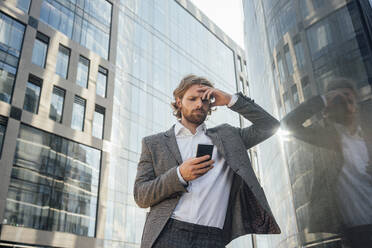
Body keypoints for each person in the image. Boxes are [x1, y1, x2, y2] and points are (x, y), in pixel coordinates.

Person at [134, 74, 281, 248]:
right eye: (192, 98)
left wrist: (230, 100)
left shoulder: (228, 137)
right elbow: (141, 195)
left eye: (205, 100)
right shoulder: (154, 143)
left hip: (212, 238)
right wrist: (179, 175)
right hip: (169, 233)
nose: (199, 104)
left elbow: (269, 126)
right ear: (179, 102)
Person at [281, 78, 372, 247]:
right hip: (357, 234)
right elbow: (287, 124)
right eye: (338, 98)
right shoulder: (326, 139)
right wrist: (323, 99)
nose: (344, 101)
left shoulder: (368, 135)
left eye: (347, 96)